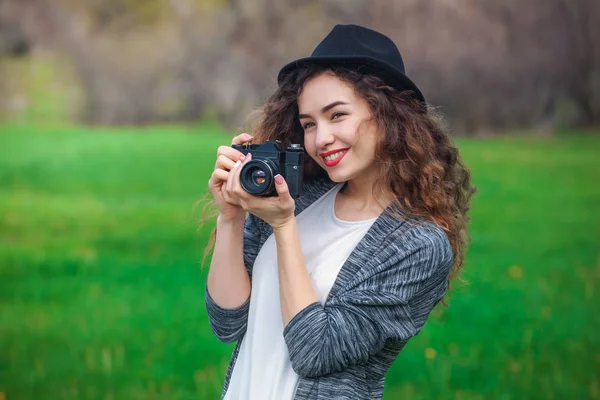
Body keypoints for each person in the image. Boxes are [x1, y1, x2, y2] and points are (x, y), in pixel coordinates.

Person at [203, 24, 476, 400]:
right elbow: (228, 323)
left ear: (389, 115)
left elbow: (316, 351)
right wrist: (230, 218)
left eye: (337, 115)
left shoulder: (419, 245)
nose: (321, 139)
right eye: (309, 124)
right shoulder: (297, 197)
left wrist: (284, 228)